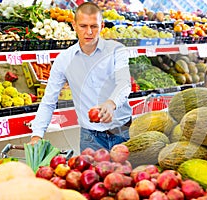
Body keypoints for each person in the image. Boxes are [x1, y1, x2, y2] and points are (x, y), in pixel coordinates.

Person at [29, 2, 132, 152]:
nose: (89, 32)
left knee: (126, 175)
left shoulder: (117, 50)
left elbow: (124, 84)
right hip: (91, 138)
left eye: (94, 26)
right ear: (74, 25)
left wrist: (111, 103)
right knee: (91, 175)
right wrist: (37, 135)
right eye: (83, 26)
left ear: (102, 26)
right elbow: (48, 101)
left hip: (123, 132)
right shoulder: (64, 60)